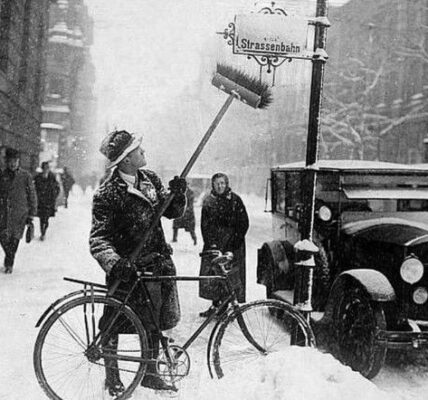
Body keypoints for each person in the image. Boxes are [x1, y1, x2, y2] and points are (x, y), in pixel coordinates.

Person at [89, 129, 187, 395]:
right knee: (112, 324)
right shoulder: (107, 194)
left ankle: (151, 373)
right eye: (137, 149)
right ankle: (113, 377)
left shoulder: (151, 180)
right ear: (125, 160)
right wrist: (116, 262)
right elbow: (99, 239)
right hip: (127, 271)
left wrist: (177, 195)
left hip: (155, 267)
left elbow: (172, 213)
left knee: (153, 321)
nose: (143, 151)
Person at [199, 172, 249, 317]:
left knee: (230, 276)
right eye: (217, 183)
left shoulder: (235, 200)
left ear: (226, 184)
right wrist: (211, 244)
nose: (220, 186)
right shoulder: (209, 201)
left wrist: (233, 244)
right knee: (213, 276)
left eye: (222, 183)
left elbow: (243, 223)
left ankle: (225, 307)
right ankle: (216, 306)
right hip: (214, 244)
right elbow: (205, 225)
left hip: (233, 244)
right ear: (213, 185)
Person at [0, 148, 37, 273]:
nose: (13, 163)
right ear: (7, 162)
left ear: (18, 161)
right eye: (10, 161)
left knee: (15, 239)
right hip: (3, 213)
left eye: (15, 161)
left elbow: (32, 194)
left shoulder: (25, 176)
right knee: (3, 238)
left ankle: (9, 264)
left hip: (20, 214)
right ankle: (9, 259)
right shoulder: (2, 175)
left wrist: (32, 213)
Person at [34, 162, 60, 241]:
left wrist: (54, 196)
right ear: (42, 169)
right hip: (40, 201)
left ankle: (44, 231)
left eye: (47, 168)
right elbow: (33, 188)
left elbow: (57, 188)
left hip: (49, 201)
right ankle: (43, 232)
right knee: (42, 218)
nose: (45, 170)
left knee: (46, 218)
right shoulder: (37, 177)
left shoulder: (52, 177)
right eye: (44, 168)